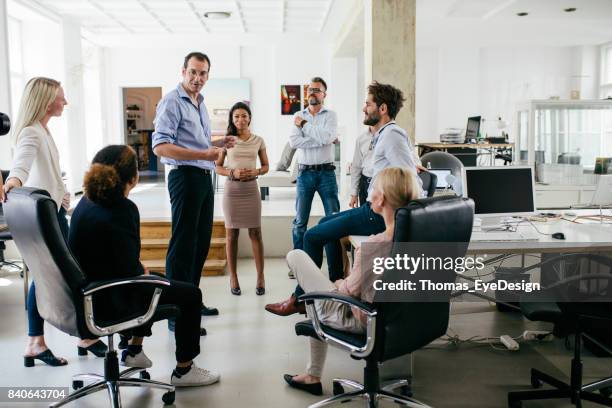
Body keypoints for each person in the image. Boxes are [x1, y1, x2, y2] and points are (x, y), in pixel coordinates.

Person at [265, 81, 422, 316]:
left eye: (368, 104)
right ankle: (330, 287)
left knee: (312, 235)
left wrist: (407, 216)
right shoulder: (383, 135)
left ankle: (301, 298)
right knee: (323, 226)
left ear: (382, 109)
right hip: (372, 208)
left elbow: (409, 176)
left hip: (376, 214)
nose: (363, 108)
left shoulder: (391, 136)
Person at [69, 144, 220, 387]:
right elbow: (131, 271)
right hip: (111, 300)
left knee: (158, 279)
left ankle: (134, 350)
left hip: (86, 296)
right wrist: (141, 273)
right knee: (191, 294)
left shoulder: (85, 204)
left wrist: (141, 272)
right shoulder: (123, 209)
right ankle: (184, 369)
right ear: (133, 177)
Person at [283, 167, 420, 395]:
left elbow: (348, 293)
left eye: (373, 188)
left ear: (381, 199)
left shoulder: (374, 246)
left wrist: (338, 283)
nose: (371, 193)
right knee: (320, 286)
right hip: (407, 319)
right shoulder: (422, 239)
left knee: (297, 259)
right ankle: (311, 375)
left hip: (365, 322)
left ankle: (312, 375)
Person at [2, 77, 106, 367]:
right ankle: (37, 341)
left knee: (57, 274)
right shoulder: (32, 133)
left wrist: (61, 196)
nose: (65, 102)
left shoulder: (41, 130)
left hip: (54, 213)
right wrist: (11, 182)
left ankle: (76, 336)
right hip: (45, 219)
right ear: (47, 100)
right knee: (47, 276)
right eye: (61, 97)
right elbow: (20, 167)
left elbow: (44, 172)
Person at [152, 52, 236, 333]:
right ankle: (176, 313)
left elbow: (196, 142)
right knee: (183, 246)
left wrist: (218, 142)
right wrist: (204, 152)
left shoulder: (200, 103)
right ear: (183, 71)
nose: (197, 79)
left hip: (203, 177)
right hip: (184, 178)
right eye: (193, 72)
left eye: (203, 74)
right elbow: (161, 147)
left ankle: (190, 302)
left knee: (200, 243)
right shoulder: (172, 101)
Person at [215, 102, 269, 296]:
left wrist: (255, 171)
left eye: (244, 115)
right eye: (236, 116)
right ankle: (234, 277)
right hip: (232, 191)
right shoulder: (227, 141)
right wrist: (232, 172)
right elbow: (218, 167)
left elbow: (265, 166)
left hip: (251, 190)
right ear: (232, 119)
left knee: (256, 233)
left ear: (250, 118)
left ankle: (260, 276)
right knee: (232, 235)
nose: (240, 119)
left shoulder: (258, 140)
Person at [350, 126, 375, 208]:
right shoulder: (361, 138)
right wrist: (354, 193)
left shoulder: (392, 135)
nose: (364, 112)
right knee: (365, 218)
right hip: (364, 184)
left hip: (383, 185)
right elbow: (356, 166)